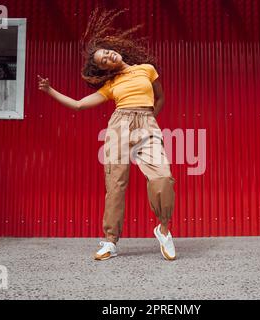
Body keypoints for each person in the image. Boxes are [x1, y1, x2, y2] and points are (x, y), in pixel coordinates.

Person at [37, 7, 176, 261]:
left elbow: (161, 97)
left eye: (107, 52)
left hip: (146, 122)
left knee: (163, 177)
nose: (109, 56)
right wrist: (50, 92)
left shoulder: (147, 69)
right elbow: (79, 105)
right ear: (106, 69)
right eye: (104, 60)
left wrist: (150, 120)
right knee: (115, 184)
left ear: (115, 49)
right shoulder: (112, 85)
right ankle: (110, 240)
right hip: (119, 126)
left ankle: (163, 228)